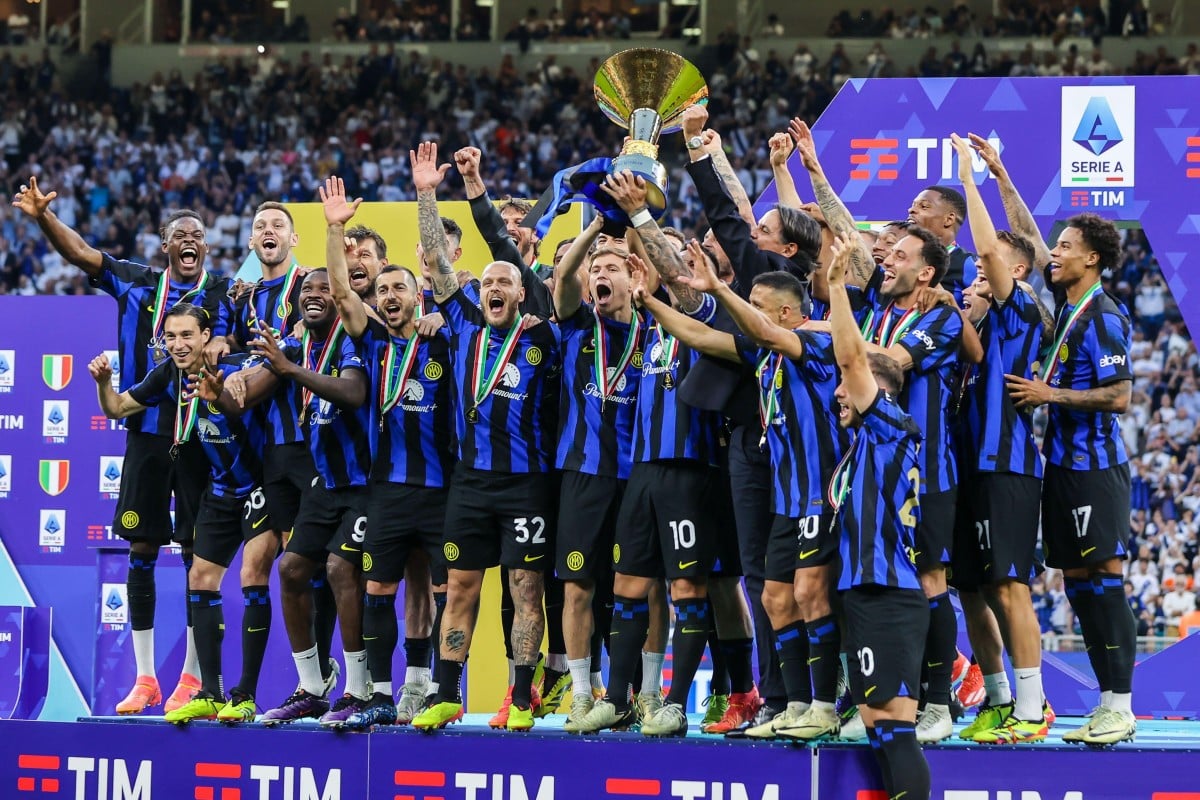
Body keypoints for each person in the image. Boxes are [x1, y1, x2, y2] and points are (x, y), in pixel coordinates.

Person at [13, 176, 228, 715]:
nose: (189, 241)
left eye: (197, 235)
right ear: (165, 245)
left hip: (203, 441)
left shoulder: (227, 293)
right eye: (179, 235)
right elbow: (82, 253)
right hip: (147, 436)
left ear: (207, 246)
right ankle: (145, 677)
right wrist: (43, 217)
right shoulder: (136, 283)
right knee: (141, 552)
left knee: (199, 559)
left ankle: (193, 677)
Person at [636, 237, 851, 741]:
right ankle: (794, 704)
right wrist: (650, 302)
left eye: (757, 305)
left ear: (785, 312)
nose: (747, 313)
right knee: (775, 598)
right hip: (788, 498)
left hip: (821, 494)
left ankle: (825, 705)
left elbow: (763, 331)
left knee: (810, 594)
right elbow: (700, 335)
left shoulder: (814, 345)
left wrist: (718, 289)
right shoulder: (764, 355)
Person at [410, 142, 561, 733]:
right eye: (488, 282)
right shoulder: (466, 323)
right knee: (460, 588)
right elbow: (438, 263)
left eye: (506, 281)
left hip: (526, 485)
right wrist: (427, 193)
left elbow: (515, 256)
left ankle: (522, 698)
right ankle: (447, 694)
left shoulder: (544, 336)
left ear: (522, 293)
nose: (494, 287)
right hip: (469, 483)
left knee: (526, 589)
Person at [89, 304, 281, 724]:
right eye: (171, 337)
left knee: (253, 575)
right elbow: (117, 409)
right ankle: (209, 692)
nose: (178, 345)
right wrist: (104, 384)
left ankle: (245, 695)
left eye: (187, 335)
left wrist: (238, 379)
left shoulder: (235, 366)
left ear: (206, 336)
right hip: (221, 490)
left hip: (261, 488)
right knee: (200, 578)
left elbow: (270, 372)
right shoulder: (167, 375)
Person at [319, 176, 455, 729]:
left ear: (417, 296)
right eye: (383, 291)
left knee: (443, 590)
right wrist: (335, 229)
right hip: (388, 492)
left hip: (442, 489)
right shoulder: (372, 342)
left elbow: (446, 275)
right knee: (379, 589)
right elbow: (340, 291)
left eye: (400, 288)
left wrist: (426, 196)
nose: (390, 296)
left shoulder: (446, 338)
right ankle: (378, 693)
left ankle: (435, 689)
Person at [1006, 212, 1137, 746]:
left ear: (1092, 259)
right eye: (1056, 246)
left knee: (1104, 583)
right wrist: (1000, 178)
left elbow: (1120, 397)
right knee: (1079, 587)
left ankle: (1121, 707)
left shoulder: (1102, 316)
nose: (1053, 254)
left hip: (1095, 468)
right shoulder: (1067, 304)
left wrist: (1050, 394)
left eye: (1065, 247)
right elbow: (1033, 244)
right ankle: (1106, 704)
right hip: (1061, 466)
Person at [948, 134, 1053, 744]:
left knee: (1010, 588)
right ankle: (998, 697)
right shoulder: (972, 329)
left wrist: (973, 178)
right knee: (972, 588)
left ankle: (1033, 710)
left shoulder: (1018, 314)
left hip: (1006, 467)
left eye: (985, 270)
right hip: (967, 472)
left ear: (1011, 273)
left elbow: (993, 247)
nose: (975, 275)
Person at [242, 270, 373, 728]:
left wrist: (290, 370)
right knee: (292, 569)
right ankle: (313, 687)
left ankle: (359, 689)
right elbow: (246, 393)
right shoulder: (299, 345)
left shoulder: (355, 340)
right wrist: (223, 388)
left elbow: (354, 393)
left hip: (366, 483)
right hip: (326, 483)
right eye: (306, 290)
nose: (313, 296)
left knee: (339, 568)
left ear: (340, 299)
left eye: (324, 289)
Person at [827, 235, 930, 800]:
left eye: (848, 386)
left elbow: (851, 358)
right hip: (867, 593)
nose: (839, 393)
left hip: (889, 595)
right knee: (877, 728)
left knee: (895, 728)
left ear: (876, 389)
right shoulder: (869, 443)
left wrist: (837, 287)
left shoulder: (889, 425)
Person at [226, 202, 341, 705]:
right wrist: (222, 350)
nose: (268, 232)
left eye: (277, 225)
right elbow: (231, 345)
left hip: (311, 445)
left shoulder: (311, 288)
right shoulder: (245, 298)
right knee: (261, 566)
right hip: (266, 451)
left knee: (315, 562)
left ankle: (325, 672)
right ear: (252, 243)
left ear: (294, 239)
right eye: (260, 227)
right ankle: (254, 691)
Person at [551, 216, 643, 730]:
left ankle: (640, 693)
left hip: (637, 479)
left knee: (637, 589)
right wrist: (597, 232)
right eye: (596, 269)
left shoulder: (653, 329)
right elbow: (564, 277)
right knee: (578, 587)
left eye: (611, 268)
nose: (600, 275)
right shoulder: (578, 326)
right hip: (582, 475)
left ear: (633, 277)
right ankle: (584, 694)